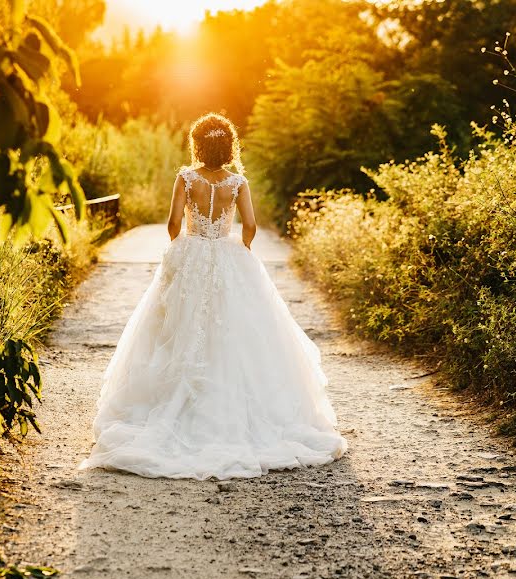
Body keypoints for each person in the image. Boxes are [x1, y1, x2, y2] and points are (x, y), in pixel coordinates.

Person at [78, 112, 347, 480]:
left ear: (198, 144)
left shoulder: (186, 178)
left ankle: (174, 406)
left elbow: (173, 224)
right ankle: (234, 410)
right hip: (226, 253)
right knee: (235, 331)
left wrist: (184, 250)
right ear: (228, 145)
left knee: (176, 329)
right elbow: (249, 226)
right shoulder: (237, 182)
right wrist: (239, 250)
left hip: (191, 253)